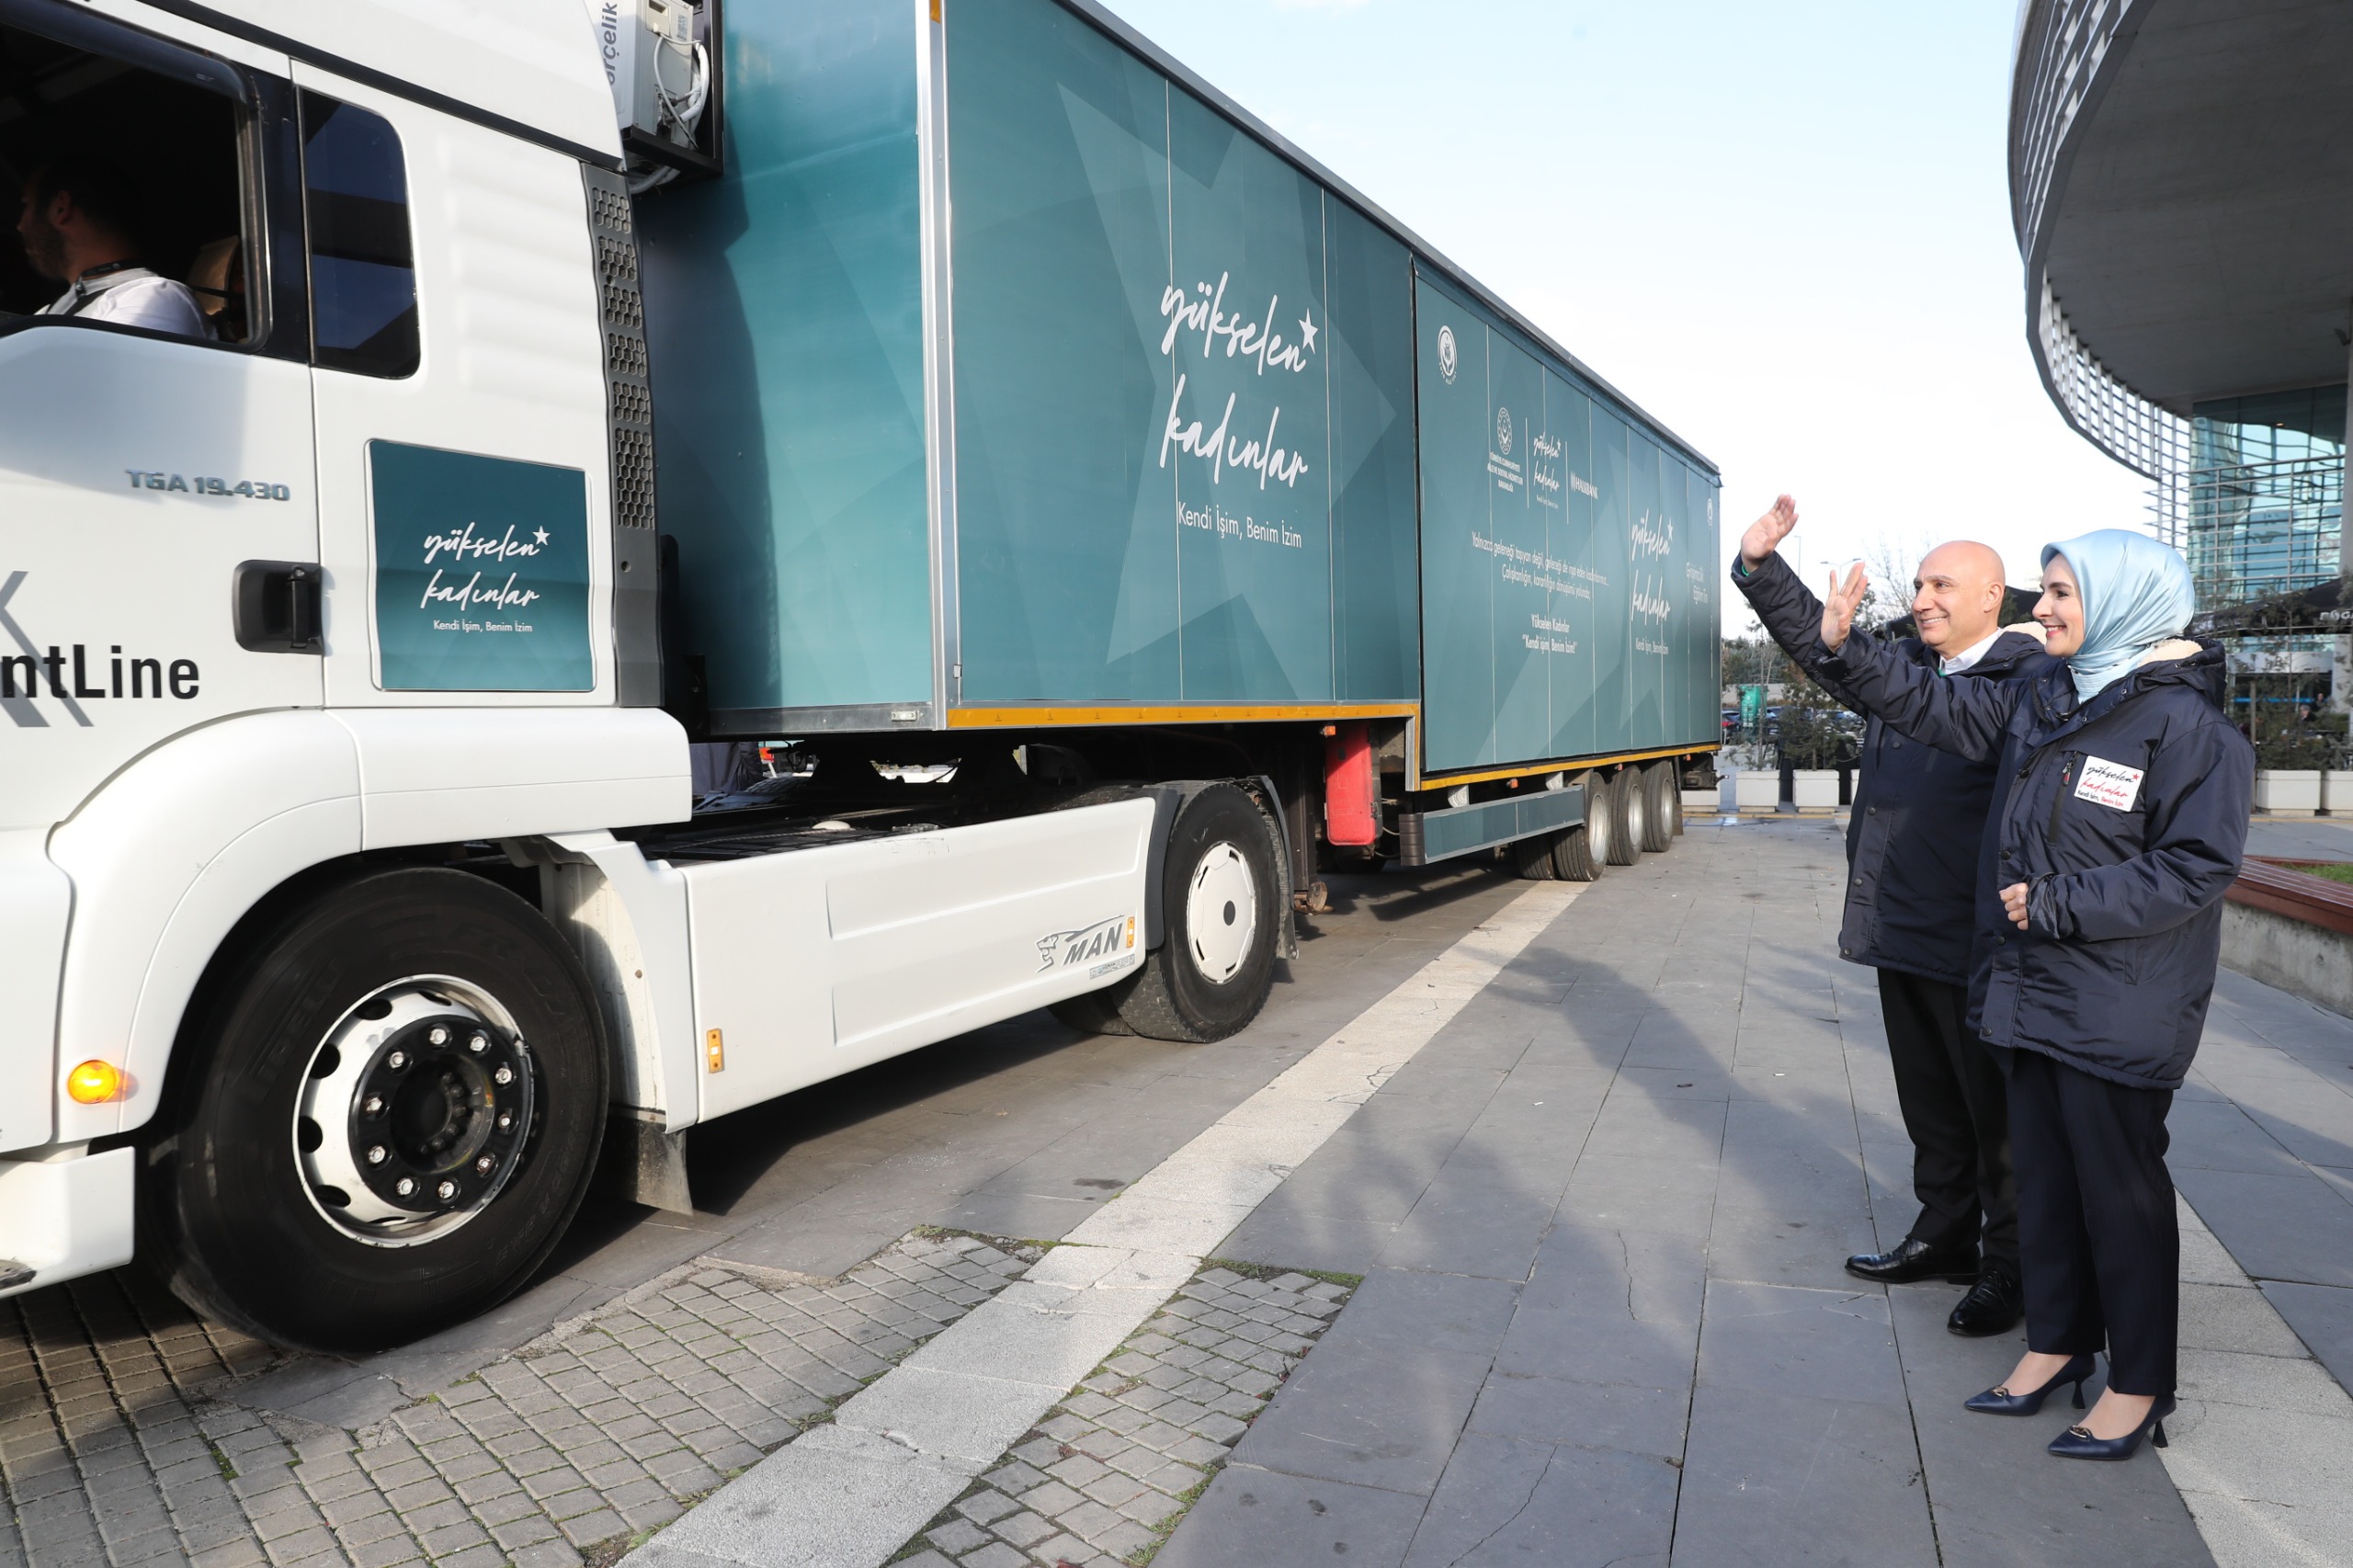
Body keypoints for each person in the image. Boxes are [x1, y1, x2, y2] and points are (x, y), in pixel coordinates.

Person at [1738, 496, 2250, 1461]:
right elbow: (1921, 699)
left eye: (2059, 593)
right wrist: (1830, 637)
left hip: (2117, 1001)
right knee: (2047, 1185)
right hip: (2027, 992)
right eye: (2045, 590)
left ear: (2125, 603)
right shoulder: (2047, 697)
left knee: (2119, 1198)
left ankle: (2136, 1384)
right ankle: (2053, 1345)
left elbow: (2195, 865)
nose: (2041, 608)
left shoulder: (2183, 727)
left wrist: (2057, 903)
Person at [1733, 535, 2043, 1335]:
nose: (1922, 597)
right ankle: (1945, 1235)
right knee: (1931, 1103)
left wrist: (1852, 651)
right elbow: (1833, 646)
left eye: (1943, 584)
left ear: (1991, 598)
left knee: (1994, 1114)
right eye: (1916, 583)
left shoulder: (2024, 677)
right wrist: (1766, 573)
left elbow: (1893, 687)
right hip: (1901, 920)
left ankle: (2010, 1265)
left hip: (1976, 936)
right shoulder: (1914, 664)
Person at [16, 155, 210, 337]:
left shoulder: (151, 297)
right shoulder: (46, 314)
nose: (20, 226)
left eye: (27, 205)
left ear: (61, 207)